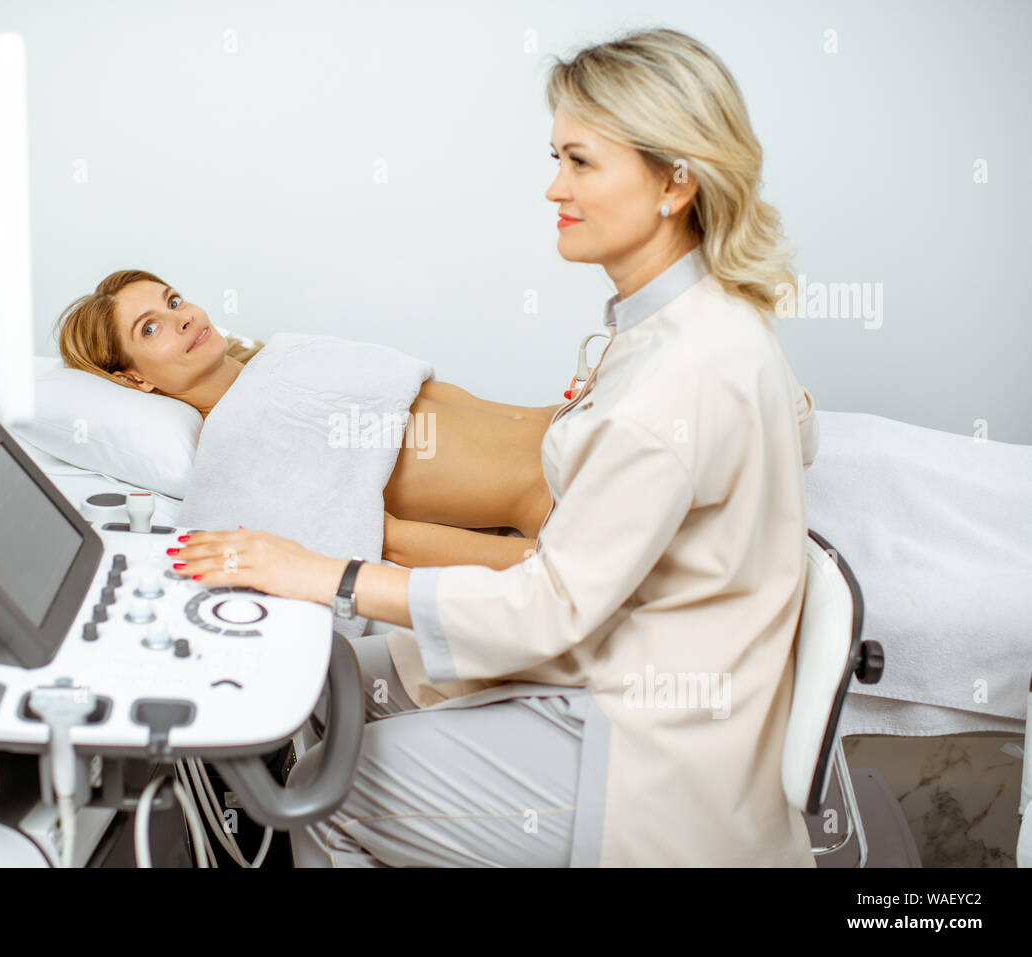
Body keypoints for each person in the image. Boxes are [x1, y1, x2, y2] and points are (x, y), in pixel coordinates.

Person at [175, 27, 821, 867]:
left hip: (650, 732)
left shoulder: (676, 377)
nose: (555, 187)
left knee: (327, 788)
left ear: (675, 180)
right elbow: (791, 427)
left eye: (581, 162)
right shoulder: (707, 320)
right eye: (556, 158)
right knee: (337, 682)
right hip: (626, 646)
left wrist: (323, 572)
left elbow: (547, 607)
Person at [55, 270, 564, 570]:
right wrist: (548, 567)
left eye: (173, 300)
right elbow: (383, 540)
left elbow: (436, 396)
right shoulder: (234, 448)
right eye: (151, 328)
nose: (182, 317)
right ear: (133, 380)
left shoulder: (284, 356)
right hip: (566, 499)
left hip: (582, 425)